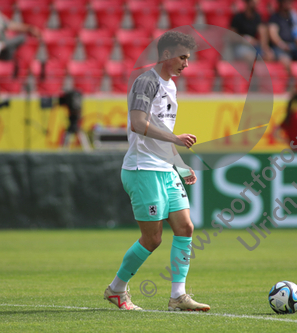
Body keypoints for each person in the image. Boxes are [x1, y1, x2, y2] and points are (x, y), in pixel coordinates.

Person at [103, 31, 210, 312]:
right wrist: (175, 141)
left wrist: (180, 164)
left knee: (185, 227)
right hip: (143, 169)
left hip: (164, 168)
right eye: (182, 57)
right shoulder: (146, 82)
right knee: (152, 239)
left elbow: (162, 134)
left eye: (188, 57)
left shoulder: (170, 85)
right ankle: (116, 289)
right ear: (166, 55)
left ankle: (178, 297)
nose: (186, 64)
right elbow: (138, 124)